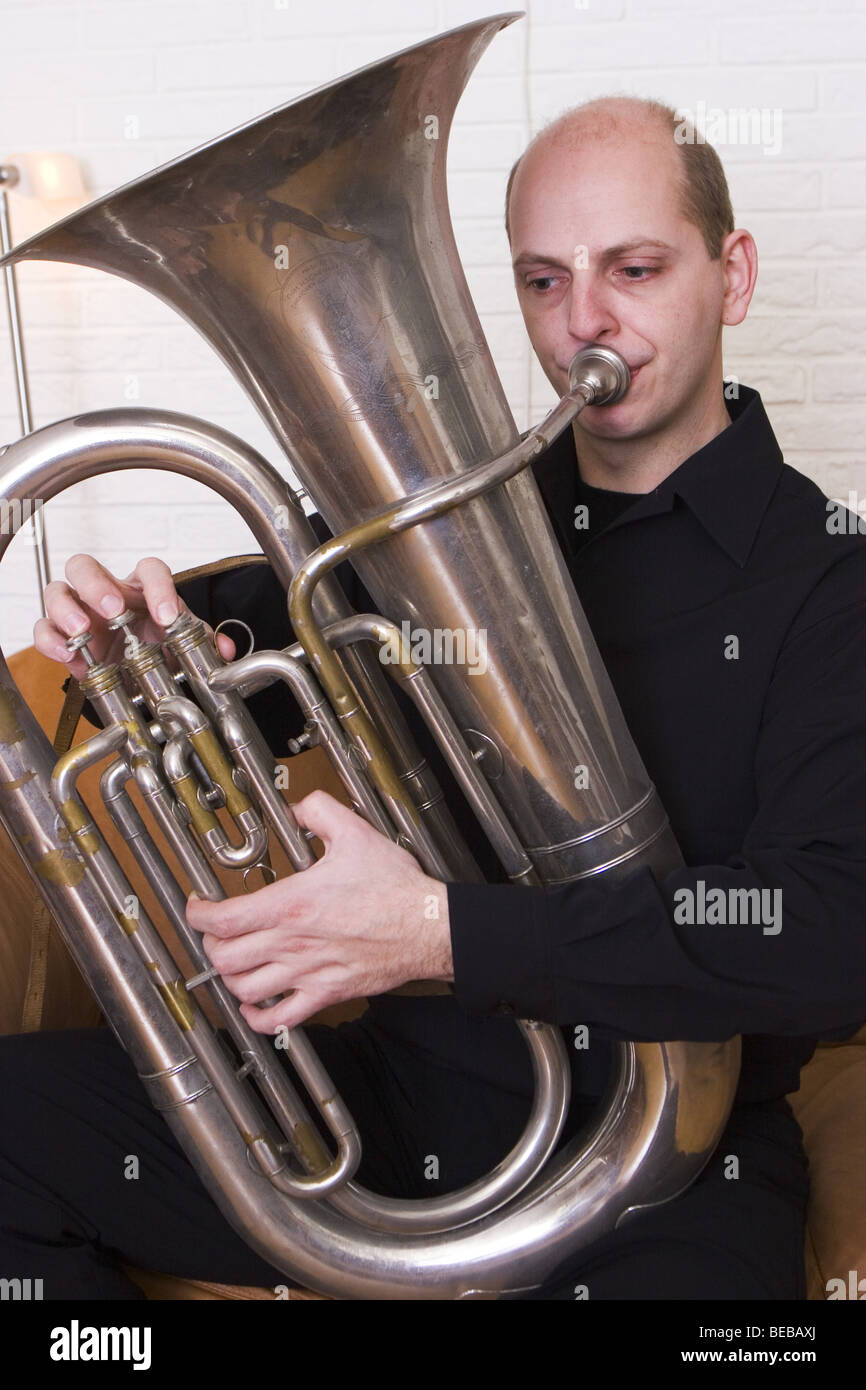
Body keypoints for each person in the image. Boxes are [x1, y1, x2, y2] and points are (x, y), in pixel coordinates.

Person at [1, 95, 864, 1301]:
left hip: (671, 1157)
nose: (584, 323)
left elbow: (826, 929)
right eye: (542, 281)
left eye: (633, 268)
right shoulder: (433, 523)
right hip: (390, 1106)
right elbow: (262, 651)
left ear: (732, 276)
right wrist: (145, 648)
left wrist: (435, 934)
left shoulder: (828, 575)